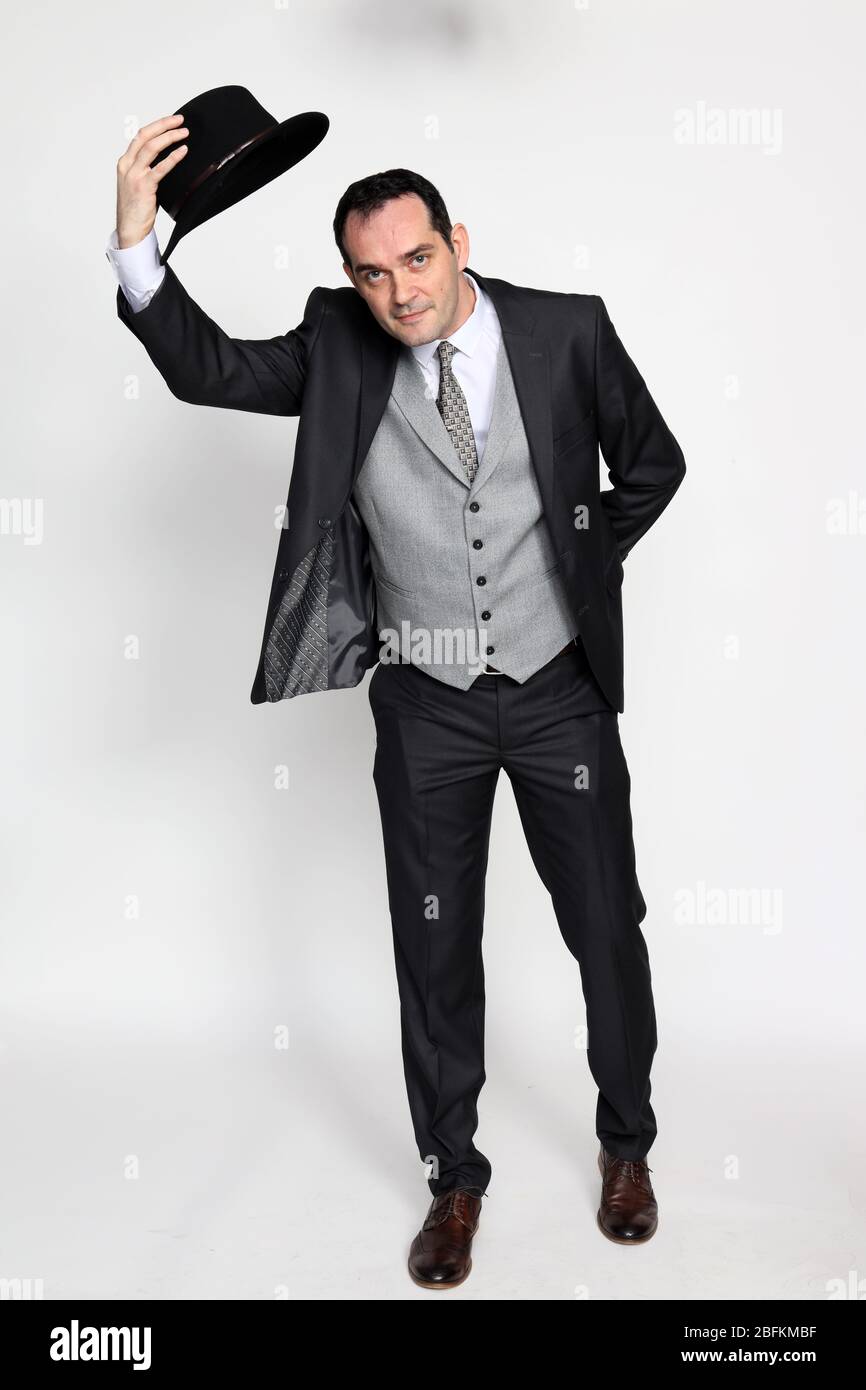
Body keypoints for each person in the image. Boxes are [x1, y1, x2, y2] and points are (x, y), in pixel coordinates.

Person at [108, 113, 686, 1289]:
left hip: (557, 691)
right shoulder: (336, 344)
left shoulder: (565, 332)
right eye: (370, 272)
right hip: (423, 706)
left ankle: (625, 1148)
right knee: (433, 954)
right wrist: (136, 244)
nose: (398, 290)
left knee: (604, 932)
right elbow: (203, 367)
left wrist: (575, 569)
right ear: (349, 280)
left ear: (455, 243)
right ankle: (453, 1178)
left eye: (415, 260)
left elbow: (652, 464)